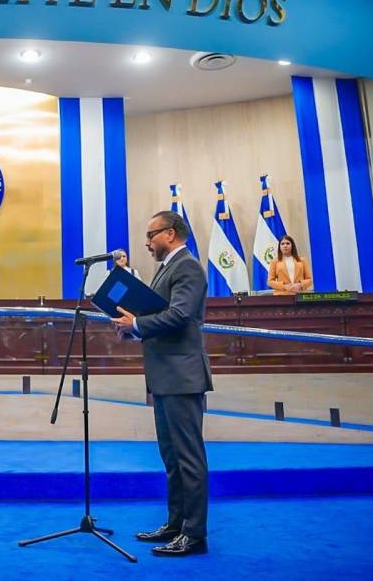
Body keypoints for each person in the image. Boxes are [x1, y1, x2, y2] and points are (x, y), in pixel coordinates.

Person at [110, 210, 212, 557]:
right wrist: (131, 327)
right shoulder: (166, 268)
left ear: (170, 233)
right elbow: (161, 318)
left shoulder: (188, 266)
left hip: (182, 377)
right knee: (171, 458)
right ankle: (175, 523)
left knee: (188, 458)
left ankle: (194, 535)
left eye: (151, 235)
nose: (147, 242)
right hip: (165, 376)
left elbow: (181, 315)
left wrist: (137, 323)